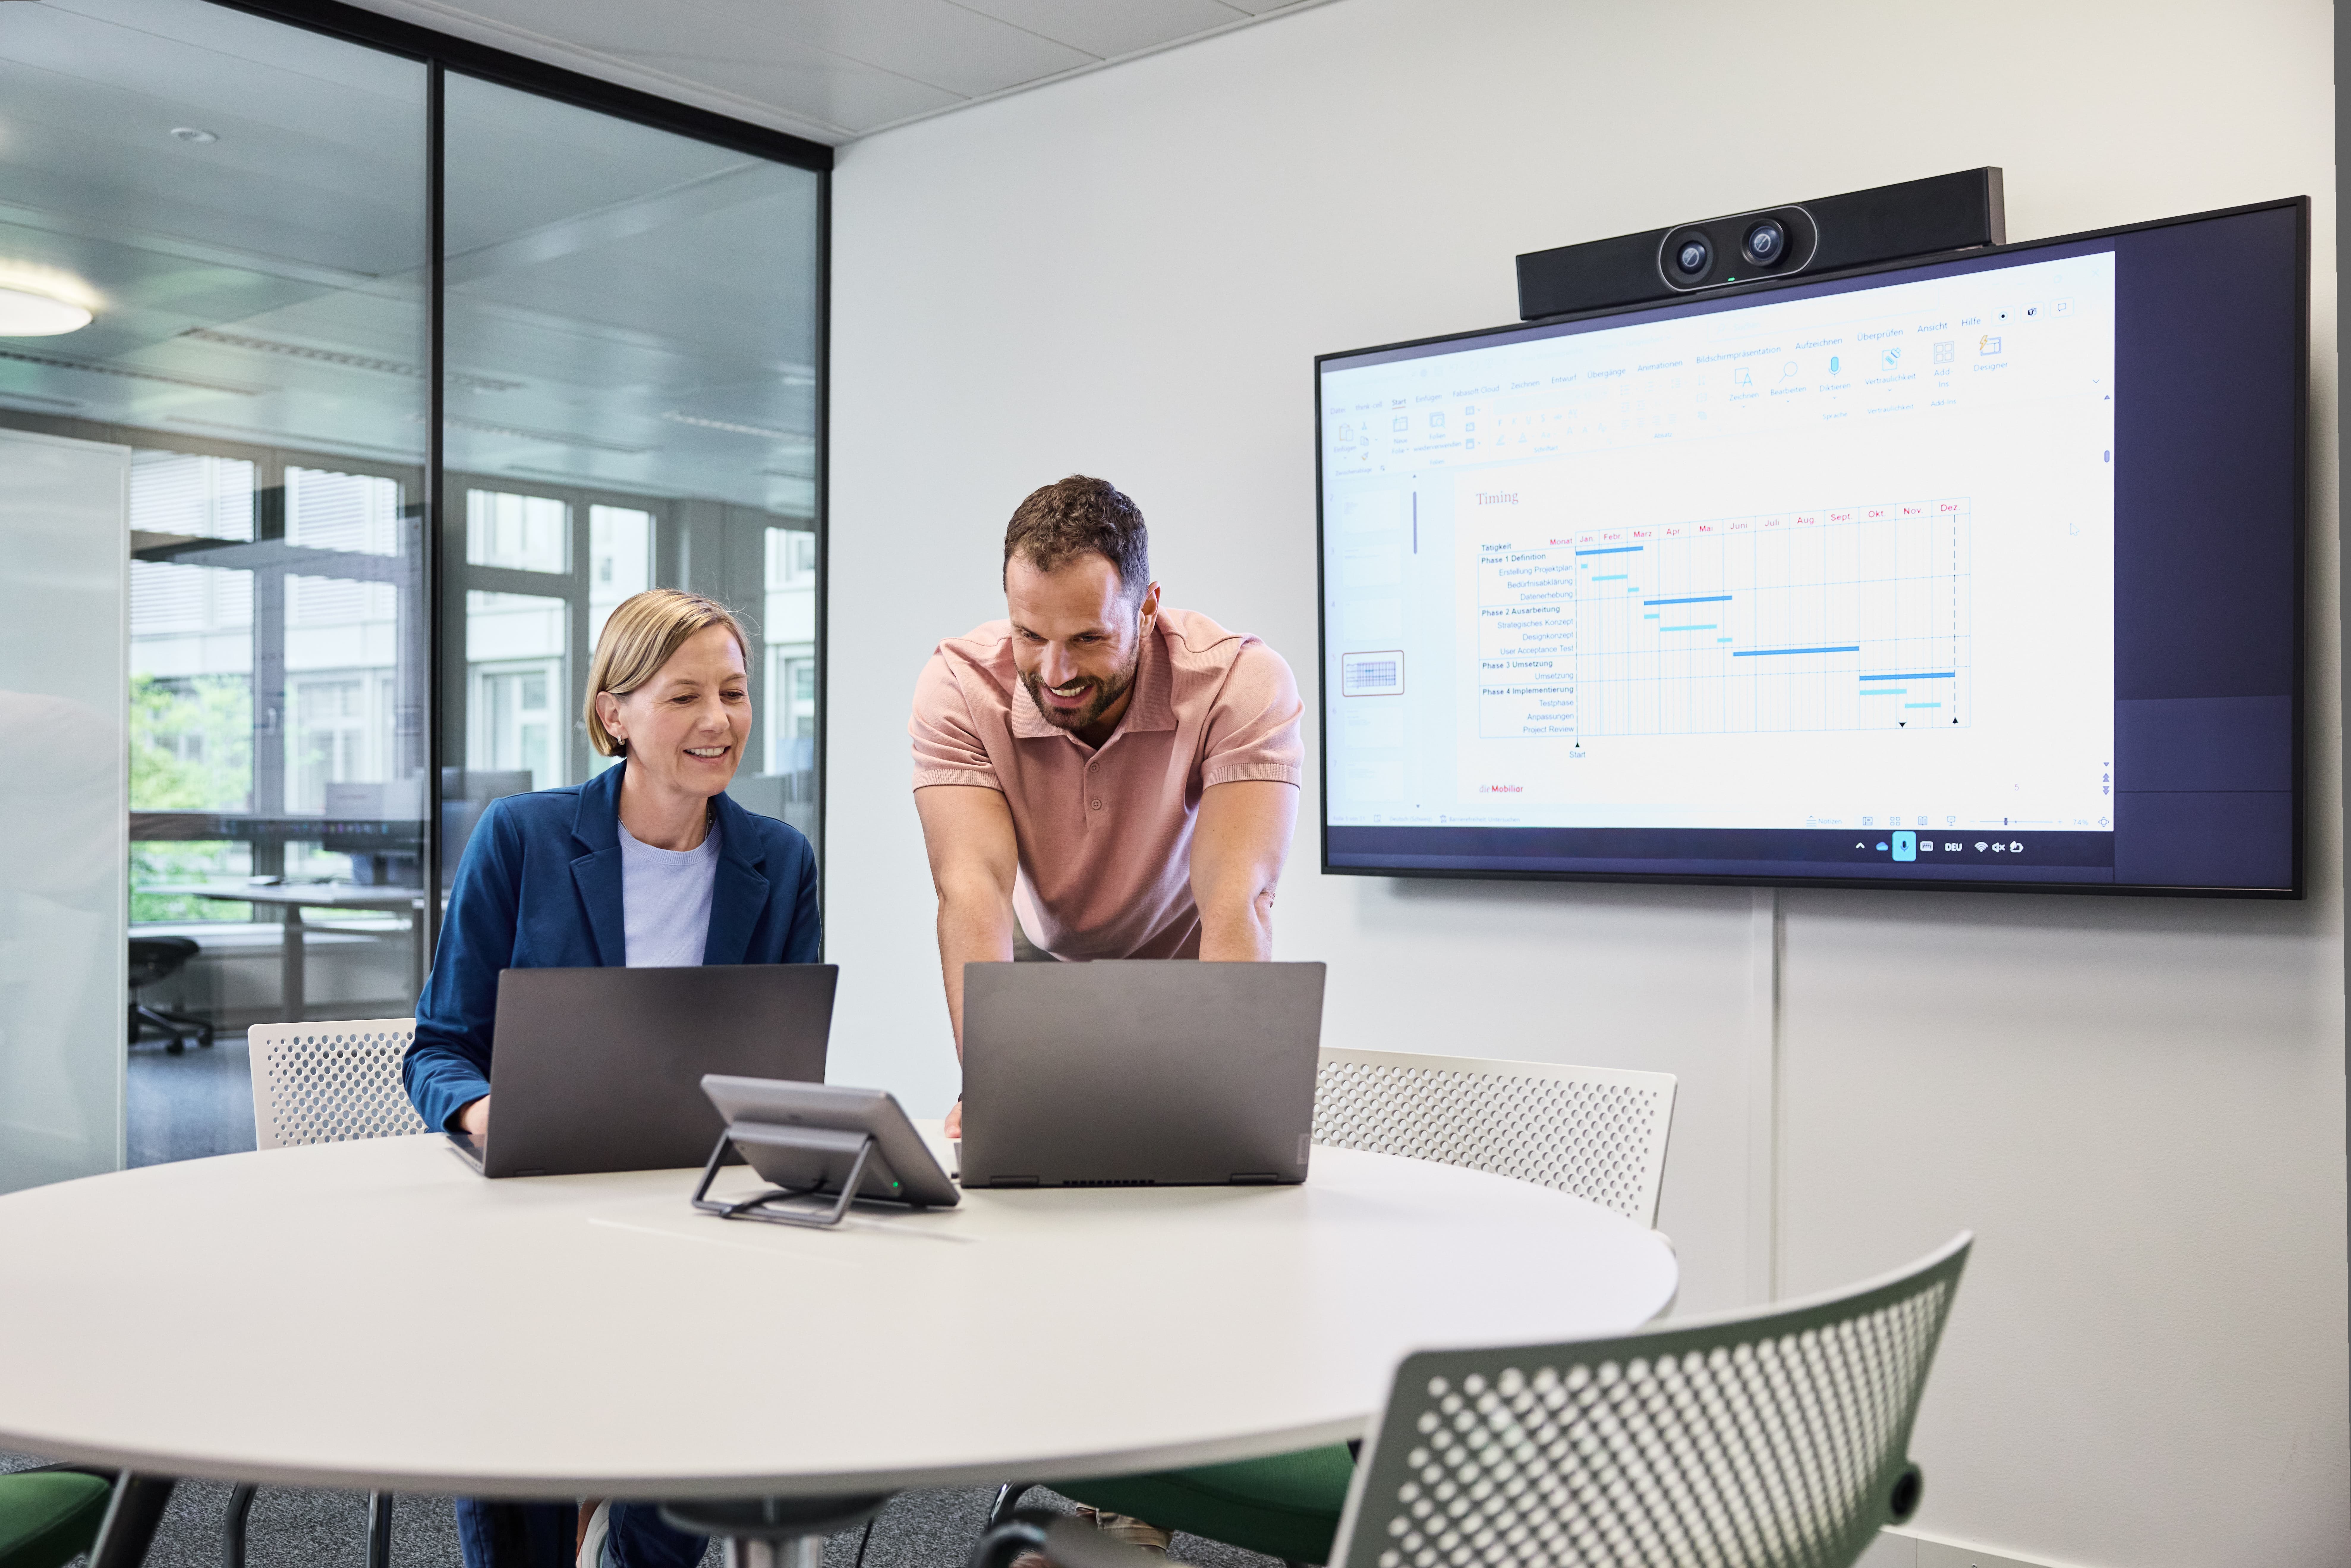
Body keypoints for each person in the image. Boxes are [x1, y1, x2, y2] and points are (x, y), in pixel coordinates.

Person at [405, 588, 819, 1568]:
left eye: (734, 691)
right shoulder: (524, 837)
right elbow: (438, 1047)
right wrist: (489, 1110)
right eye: (683, 696)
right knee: (524, 1449)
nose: (718, 720)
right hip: (538, 1217)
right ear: (613, 713)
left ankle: (631, 1531)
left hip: (695, 1219)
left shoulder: (781, 860)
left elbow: (786, 1068)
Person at [909, 473, 1304, 1131]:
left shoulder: (1240, 682)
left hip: (1187, 960)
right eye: (1030, 636)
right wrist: (986, 1079)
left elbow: (1241, 897)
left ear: (1147, 608)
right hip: (1041, 960)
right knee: (1022, 1147)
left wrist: (1225, 1100)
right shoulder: (959, 685)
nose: (1055, 673)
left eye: (1087, 639)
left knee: (1198, 1146)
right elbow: (970, 890)